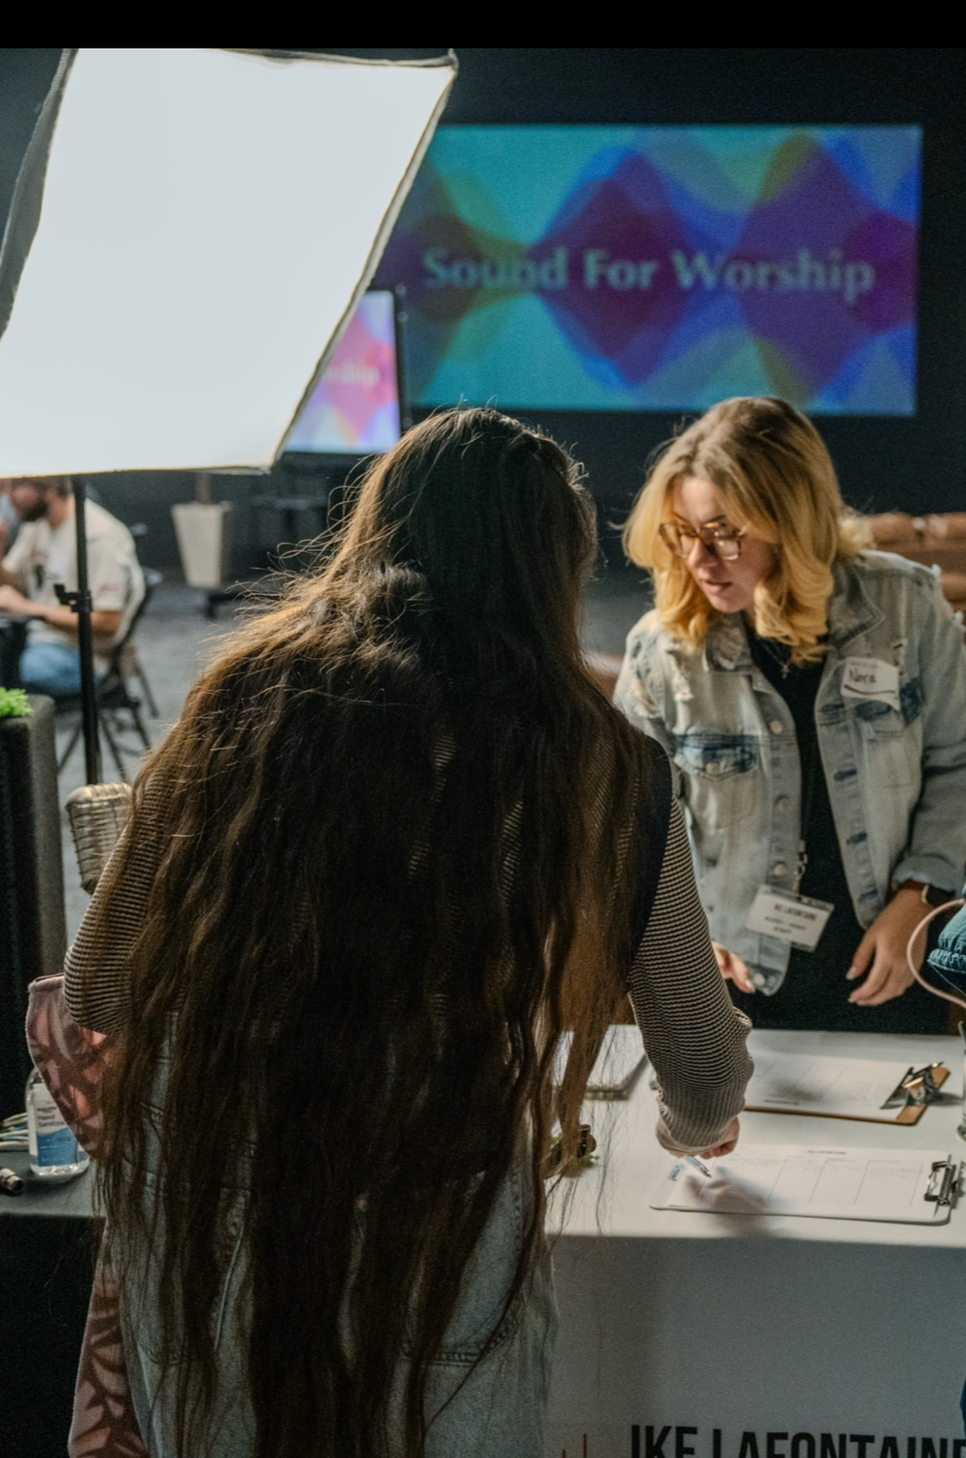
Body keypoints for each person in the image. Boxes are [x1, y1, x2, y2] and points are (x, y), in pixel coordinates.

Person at [66, 409, 752, 1458]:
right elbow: (700, 1066)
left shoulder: (237, 701)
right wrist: (690, 1136)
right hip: (436, 1215)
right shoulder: (603, 766)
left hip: (205, 1192)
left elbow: (97, 992)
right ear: (554, 571)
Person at [616, 396, 966, 1034]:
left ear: (791, 521)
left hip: (889, 959)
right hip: (732, 980)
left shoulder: (903, 606)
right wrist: (682, 947)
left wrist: (919, 896)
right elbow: (634, 825)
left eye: (723, 532)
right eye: (683, 533)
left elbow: (963, 760)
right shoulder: (661, 653)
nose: (699, 561)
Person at [0, 477, 143, 697]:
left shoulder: (97, 536)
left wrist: (30, 608)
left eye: (17, 486)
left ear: (49, 487)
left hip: (86, 658)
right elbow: (14, 588)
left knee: (5, 675)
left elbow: (108, 623)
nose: (7, 496)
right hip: (33, 640)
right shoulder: (37, 524)